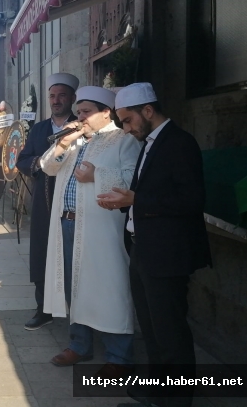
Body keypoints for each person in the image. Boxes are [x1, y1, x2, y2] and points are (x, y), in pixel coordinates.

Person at [98, 83, 211, 407]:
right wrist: (124, 202)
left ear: (148, 111)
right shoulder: (148, 143)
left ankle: (177, 400)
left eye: (128, 120)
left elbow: (191, 200)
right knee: (151, 329)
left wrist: (136, 199)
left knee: (171, 333)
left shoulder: (179, 143)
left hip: (168, 254)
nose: (125, 127)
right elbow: (146, 195)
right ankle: (158, 390)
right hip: (143, 249)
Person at [39, 86, 140, 375]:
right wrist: (62, 143)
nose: (80, 117)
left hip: (102, 228)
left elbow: (134, 179)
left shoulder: (123, 140)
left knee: (109, 286)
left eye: (85, 112)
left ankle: (118, 356)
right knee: (73, 285)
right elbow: (48, 168)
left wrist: (98, 176)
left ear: (105, 112)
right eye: (79, 112)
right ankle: (79, 344)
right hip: (67, 223)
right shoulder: (75, 141)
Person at [17, 72, 79, 331]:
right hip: (44, 201)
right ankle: (44, 309)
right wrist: (41, 165)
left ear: (72, 98)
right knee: (43, 252)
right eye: (52, 96)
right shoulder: (40, 129)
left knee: (73, 256)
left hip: (73, 203)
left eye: (61, 95)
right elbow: (23, 159)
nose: (56, 100)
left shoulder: (81, 125)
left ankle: (77, 311)